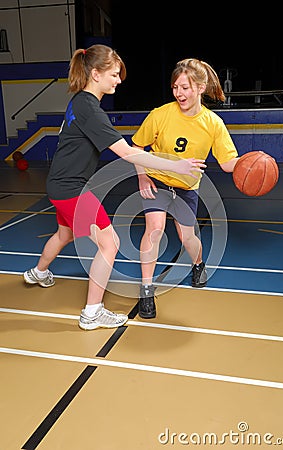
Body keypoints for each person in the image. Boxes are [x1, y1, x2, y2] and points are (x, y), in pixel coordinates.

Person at [23, 45, 204, 331]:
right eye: (114, 74)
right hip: (71, 188)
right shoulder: (89, 109)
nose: (118, 80)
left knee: (64, 233)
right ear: (96, 74)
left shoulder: (78, 102)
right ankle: (92, 312)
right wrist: (176, 166)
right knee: (111, 244)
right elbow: (129, 153)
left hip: (58, 184)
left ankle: (37, 272)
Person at [132, 58, 240, 319]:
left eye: (185, 88)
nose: (179, 93)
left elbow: (227, 163)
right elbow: (136, 148)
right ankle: (147, 289)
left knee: (187, 238)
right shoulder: (160, 115)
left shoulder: (213, 124)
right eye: (175, 88)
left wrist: (249, 165)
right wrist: (143, 178)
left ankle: (198, 263)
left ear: (201, 88)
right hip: (157, 181)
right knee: (155, 230)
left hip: (185, 188)